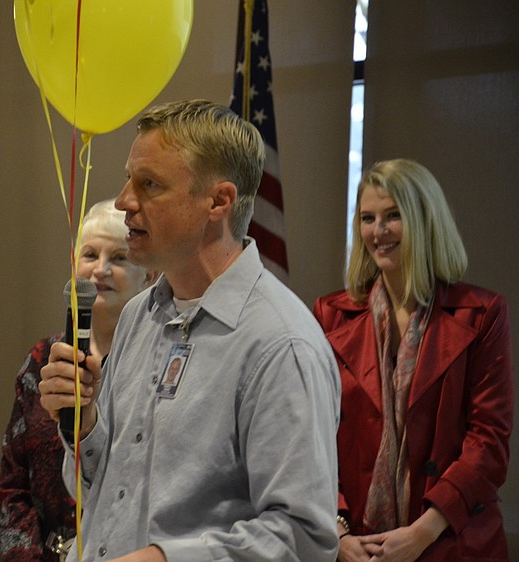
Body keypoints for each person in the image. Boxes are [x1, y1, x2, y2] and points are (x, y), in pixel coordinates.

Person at [39, 99, 342, 562]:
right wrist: (83, 426)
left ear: (218, 201)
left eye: (149, 185)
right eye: (128, 180)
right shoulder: (142, 315)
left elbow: (302, 537)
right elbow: (99, 489)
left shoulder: (281, 344)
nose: (123, 201)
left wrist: (165, 559)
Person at [312, 159, 514, 561]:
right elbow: (312, 435)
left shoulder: (483, 313)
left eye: (393, 216)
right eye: (367, 218)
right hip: (356, 544)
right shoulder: (328, 314)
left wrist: (425, 531)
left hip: (450, 538)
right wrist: (335, 530)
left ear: (425, 222)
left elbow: (488, 442)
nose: (377, 231)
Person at [0, 199, 157, 562]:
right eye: (89, 255)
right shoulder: (44, 360)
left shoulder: (156, 361)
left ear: (147, 275)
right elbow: (12, 486)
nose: (100, 270)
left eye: (118, 258)